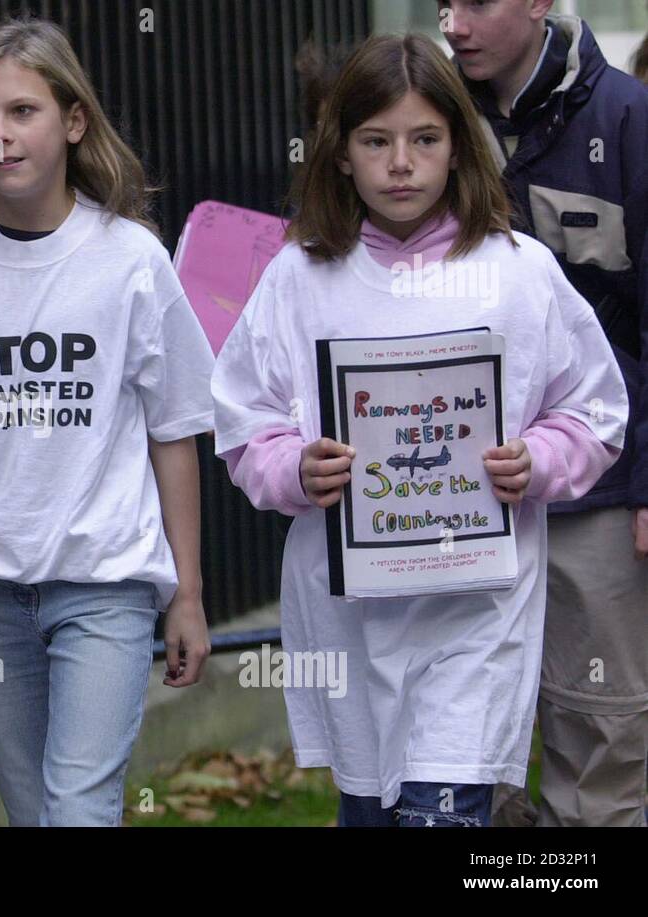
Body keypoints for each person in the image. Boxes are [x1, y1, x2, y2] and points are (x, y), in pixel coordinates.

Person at [210, 32, 627, 826]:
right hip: (349, 614)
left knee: (445, 810)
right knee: (370, 812)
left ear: (457, 147)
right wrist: (294, 468)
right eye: (376, 141)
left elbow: (596, 408)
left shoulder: (517, 271)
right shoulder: (298, 277)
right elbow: (242, 421)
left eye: (424, 139)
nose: (400, 163)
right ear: (339, 154)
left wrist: (537, 459)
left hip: (477, 608)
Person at [0, 16, 215, 826]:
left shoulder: (130, 260)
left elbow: (175, 432)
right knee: (36, 814)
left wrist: (186, 592)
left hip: (106, 583)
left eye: (22, 112)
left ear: (73, 121)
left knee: (78, 808)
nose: (0, 137)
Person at [441, 0, 648, 827]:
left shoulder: (629, 121)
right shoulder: (423, 118)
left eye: (477, 2)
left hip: (598, 492)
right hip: (449, 496)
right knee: (457, 750)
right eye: (444, 2)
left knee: (599, 740)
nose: (453, 23)